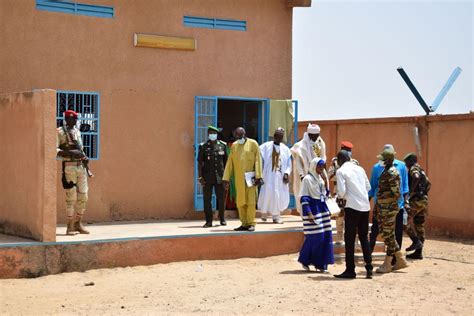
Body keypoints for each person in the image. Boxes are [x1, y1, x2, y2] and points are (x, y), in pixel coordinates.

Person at [333, 150, 373, 279]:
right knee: (363, 238)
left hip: (352, 207)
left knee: (349, 239)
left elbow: (342, 191)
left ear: (340, 160)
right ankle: (369, 267)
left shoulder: (340, 171)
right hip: (365, 207)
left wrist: (340, 200)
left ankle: (350, 270)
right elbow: (368, 187)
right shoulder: (360, 169)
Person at [369, 144, 409, 255]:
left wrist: (405, 202)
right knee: (376, 231)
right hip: (380, 206)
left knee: (396, 232)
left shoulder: (400, 167)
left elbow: (404, 187)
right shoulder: (376, 168)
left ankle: (396, 257)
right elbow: (372, 186)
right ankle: (369, 254)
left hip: (394, 207)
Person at [57, 110, 91, 235]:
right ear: (66, 119)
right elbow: (55, 150)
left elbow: (80, 149)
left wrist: (84, 158)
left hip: (81, 166)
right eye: (70, 119)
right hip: (69, 166)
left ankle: (78, 223)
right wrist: (70, 153)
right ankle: (70, 226)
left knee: (84, 196)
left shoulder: (77, 131)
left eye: (75, 119)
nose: (73, 121)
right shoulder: (59, 132)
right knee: (71, 197)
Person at [223, 127, 263, 232]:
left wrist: (258, 176)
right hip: (239, 179)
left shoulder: (253, 144)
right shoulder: (234, 146)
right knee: (240, 202)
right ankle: (244, 223)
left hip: (251, 179)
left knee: (250, 202)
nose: (239, 138)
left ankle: (251, 223)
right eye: (237, 136)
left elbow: (258, 160)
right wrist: (226, 178)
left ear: (245, 134)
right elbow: (230, 162)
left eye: (241, 136)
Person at [375, 149, 408, 273]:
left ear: (388, 160)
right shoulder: (386, 171)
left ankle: (395, 261)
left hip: (388, 208)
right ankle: (396, 261)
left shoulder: (392, 173)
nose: (380, 161)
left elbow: (396, 192)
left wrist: (387, 202)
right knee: (387, 234)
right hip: (384, 208)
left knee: (388, 234)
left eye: (382, 159)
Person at [298, 157, 334, 272]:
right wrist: (308, 213)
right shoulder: (307, 179)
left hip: (322, 208)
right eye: (319, 166)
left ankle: (321, 264)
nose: (321, 168)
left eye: (323, 166)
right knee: (316, 237)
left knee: (326, 236)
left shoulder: (321, 179)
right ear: (314, 166)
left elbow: (326, 194)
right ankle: (305, 259)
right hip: (313, 209)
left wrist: (325, 182)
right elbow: (304, 197)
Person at [328, 141, 360, 244]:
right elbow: (330, 176)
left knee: (353, 217)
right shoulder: (335, 162)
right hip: (339, 191)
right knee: (339, 216)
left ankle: (354, 239)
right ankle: (339, 238)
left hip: (352, 192)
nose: (348, 152)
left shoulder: (355, 162)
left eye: (349, 151)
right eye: (346, 150)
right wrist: (341, 176)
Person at [291, 123, 326, 215]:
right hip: (306, 175)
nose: (316, 137)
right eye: (314, 136)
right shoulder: (300, 146)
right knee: (305, 196)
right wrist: (302, 175)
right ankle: (305, 216)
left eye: (317, 135)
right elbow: (298, 162)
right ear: (309, 134)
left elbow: (323, 157)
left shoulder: (320, 143)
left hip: (318, 174)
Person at [258, 128, 292, 224]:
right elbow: (259, 159)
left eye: (281, 136)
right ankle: (264, 213)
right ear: (274, 136)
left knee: (277, 195)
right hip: (268, 176)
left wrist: (286, 173)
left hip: (280, 177)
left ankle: (276, 216)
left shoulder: (285, 149)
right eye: (278, 136)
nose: (279, 138)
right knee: (267, 194)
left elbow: (289, 164)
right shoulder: (266, 146)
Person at [197, 126, 228, 227]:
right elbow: (200, 163)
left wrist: (226, 177)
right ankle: (208, 220)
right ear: (208, 134)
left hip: (220, 177)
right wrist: (200, 177)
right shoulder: (203, 146)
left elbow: (226, 163)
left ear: (217, 134)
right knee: (207, 199)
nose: (212, 135)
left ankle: (222, 218)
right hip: (207, 177)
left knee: (221, 198)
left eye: (214, 133)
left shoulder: (223, 145)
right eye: (210, 133)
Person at [403, 153, 431, 260]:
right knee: (419, 225)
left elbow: (416, 177)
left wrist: (410, 192)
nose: (406, 164)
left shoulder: (414, 168)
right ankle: (418, 252)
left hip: (416, 200)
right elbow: (429, 184)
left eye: (406, 162)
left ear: (411, 161)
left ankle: (415, 241)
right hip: (423, 200)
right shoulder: (422, 169)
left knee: (403, 221)